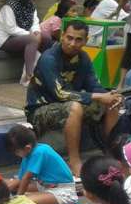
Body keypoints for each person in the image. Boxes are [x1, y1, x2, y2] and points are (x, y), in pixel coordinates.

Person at [25, 21, 122, 176]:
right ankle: (74, 161)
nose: (72, 43)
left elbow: (94, 85)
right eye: (69, 38)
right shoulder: (49, 58)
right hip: (40, 110)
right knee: (74, 107)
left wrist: (110, 96)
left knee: (112, 103)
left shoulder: (83, 58)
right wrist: (98, 96)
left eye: (78, 40)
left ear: (85, 41)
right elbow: (61, 93)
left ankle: (112, 155)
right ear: (62, 36)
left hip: (69, 104)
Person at [4, 124, 79, 204]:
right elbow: (20, 179)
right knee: (6, 184)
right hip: (44, 186)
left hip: (63, 191)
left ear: (27, 148)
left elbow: (26, 178)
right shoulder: (27, 154)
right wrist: (6, 188)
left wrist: (18, 198)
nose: (16, 155)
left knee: (23, 203)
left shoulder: (39, 152)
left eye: (16, 152)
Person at [0, 0, 50, 86]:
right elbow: (11, 29)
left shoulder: (30, 5)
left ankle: (44, 70)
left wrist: (36, 31)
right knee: (33, 40)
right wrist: (31, 35)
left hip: (25, 37)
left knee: (46, 37)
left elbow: (35, 22)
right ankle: (29, 76)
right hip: (7, 39)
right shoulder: (9, 6)